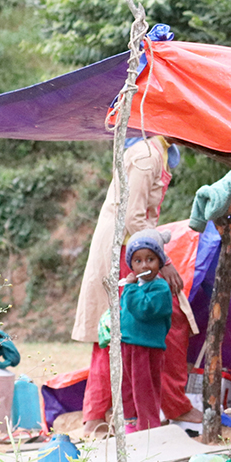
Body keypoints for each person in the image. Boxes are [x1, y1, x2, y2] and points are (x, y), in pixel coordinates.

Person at [72, 135, 199, 437]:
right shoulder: (146, 156)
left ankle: (168, 405)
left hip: (135, 247)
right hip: (127, 250)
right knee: (116, 330)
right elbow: (132, 217)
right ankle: (99, 418)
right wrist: (162, 261)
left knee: (155, 324)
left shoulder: (159, 152)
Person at [119, 230, 175, 432]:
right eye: (138, 261)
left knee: (145, 390)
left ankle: (149, 428)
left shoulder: (160, 288)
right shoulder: (134, 286)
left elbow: (142, 310)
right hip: (128, 345)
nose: (145, 265)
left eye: (150, 259)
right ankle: (131, 424)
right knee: (127, 388)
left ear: (160, 262)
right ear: (131, 265)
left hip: (147, 348)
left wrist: (131, 289)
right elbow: (126, 312)